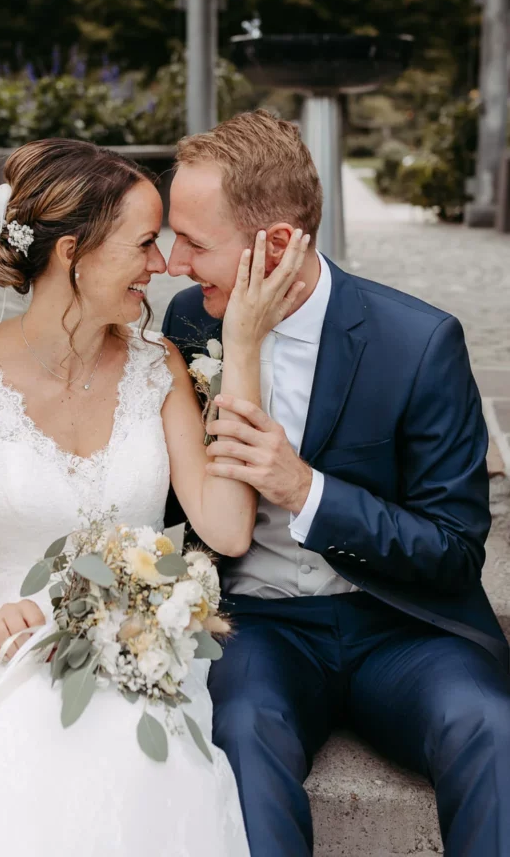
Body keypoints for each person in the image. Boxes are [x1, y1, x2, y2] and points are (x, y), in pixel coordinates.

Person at [0, 138, 309, 856]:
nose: (161, 264)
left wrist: (240, 348)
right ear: (71, 253)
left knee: (113, 748)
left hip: (134, 652)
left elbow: (227, 528)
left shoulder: (158, 366)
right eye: (145, 243)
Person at [161, 109, 510, 857]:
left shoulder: (417, 342)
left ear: (278, 244)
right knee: (241, 733)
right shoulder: (191, 322)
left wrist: (304, 488)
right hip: (258, 625)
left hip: (402, 627)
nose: (172, 262)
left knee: (489, 727)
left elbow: (452, 551)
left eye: (192, 242)